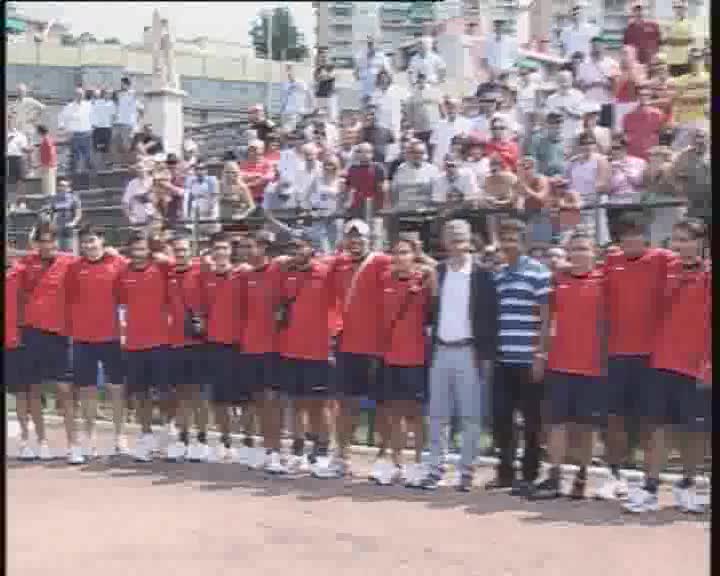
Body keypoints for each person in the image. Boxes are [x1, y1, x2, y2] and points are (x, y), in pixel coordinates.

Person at [624, 218, 710, 513]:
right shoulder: (664, 270)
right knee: (658, 429)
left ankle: (687, 485)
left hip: (697, 367)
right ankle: (649, 489)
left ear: (700, 242)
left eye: (687, 239)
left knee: (694, 432)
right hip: (662, 363)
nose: (681, 245)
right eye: (676, 239)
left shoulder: (709, 275)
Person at [593, 212, 675, 501]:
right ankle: (615, 475)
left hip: (651, 357)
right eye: (625, 234)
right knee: (614, 420)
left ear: (645, 236)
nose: (631, 239)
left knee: (649, 422)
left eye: (636, 233)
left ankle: (649, 481)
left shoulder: (663, 258)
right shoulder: (610, 262)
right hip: (616, 356)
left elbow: (693, 266)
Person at [528, 228, 604, 500]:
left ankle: (582, 478)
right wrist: (541, 354)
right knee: (556, 424)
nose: (579, 254)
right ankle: (554, 478)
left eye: (584, 249)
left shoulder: (604, 281)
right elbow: (547, 322)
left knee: (586, 427)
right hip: (559, 365)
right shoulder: (556, 279)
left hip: (593, 367)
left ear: (594, 253)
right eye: (574, 250)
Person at [421, 219, 498, 491]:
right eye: (450, 235)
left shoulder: (483, 274)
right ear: (443, 241)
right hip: (440, 350)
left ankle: (466, 471)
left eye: (460, 235)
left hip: (469, 352)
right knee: (437, 415)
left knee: (470, 416)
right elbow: (429, 312)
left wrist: (485, 357)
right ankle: (435, 469)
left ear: (470, 239)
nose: (456, 240)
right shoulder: (436, 272)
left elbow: (490, 319)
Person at [486, 218, 551, 496]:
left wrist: (541, 354)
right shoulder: (498, 276)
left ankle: (529, 474)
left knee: (532, 421)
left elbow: (547, 319)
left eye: (514, 239)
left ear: (523, 243)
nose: (509, 244)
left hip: (528, 359)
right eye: (505, 239)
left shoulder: (539, 273)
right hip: (503, 359)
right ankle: (505, 472)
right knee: (501, 419)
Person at [331, 220, 393, 477]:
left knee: (381, 406)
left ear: (370, 239)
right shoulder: (340, 265)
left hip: (377, 348)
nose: (355, 242)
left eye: (360, 237)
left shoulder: (382, 262)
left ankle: (384, 458)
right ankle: (341, 456)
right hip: (348, 346)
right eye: (351, 238)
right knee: (346, 404)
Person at [64, 225, 127, 461]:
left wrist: (117, 255)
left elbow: (128, 284)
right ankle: (89, 438)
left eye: (93, 241)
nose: (89, 245)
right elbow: (69, 300)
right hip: (83, 339)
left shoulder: (117, 263)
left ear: (102, 241)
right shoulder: (74, 268)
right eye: (85, 242)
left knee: (116, 389)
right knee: (87, 391)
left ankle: (120, 436)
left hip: (111, 338)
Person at [276, 230, 337, 476]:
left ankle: (322, 452)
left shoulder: (327, 271)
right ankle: (298, 452)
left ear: (311, 248)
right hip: (291, 349)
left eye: (299, 247)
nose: (294, 252)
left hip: (321, 350)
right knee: (297, 404)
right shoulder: (285, 272)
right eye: (291, 248)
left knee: (320, 405)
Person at [376, 237, 435, 485]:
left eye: (405, 252)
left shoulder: (425, 280)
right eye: (396, 253)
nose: (400, 257)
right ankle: (396, 462)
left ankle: (420, 463)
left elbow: (438, 271)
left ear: (414, 255)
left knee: (416, 415)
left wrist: (425, 263)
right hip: (390, 357)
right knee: (393, 414)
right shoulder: (385, 280)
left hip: (416, 358)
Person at [18, 221, 77, 461]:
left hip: (59, 335)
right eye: (43, 241)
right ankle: (41, 442)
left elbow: (99, 256)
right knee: (34, 389)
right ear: (37, 243)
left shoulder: (69, 261)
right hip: (32, 334)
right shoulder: (26, 263)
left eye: (51, 240)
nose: (47, 245)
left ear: (56, 242)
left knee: (64, 390)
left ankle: (73, 445)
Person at [233, 232, 287, 473]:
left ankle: (276, 452)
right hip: (249, 348)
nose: (244, 250)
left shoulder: (278, 269)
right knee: (255, 402)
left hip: (273, 349)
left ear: (264, 248)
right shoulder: (244, 275)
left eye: (249, 246)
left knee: (272, 402)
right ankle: (263, 449)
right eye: (243, 247)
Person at [116, 231, 171, 462]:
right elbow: (120, 304)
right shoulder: (123, 273)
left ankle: (168, 432)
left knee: (166, 392)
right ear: (129, 250)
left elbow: (172, 261)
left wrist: (157, 247)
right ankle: (146, 435)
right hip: (134, 344)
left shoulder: (161, 268)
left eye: (143, 247)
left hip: (160, 342)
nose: (139, 252)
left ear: (149, 249)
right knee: (140, 394)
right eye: (134, 248)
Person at [195, 232, 240, 462]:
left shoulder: (242, 274)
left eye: (224, 248)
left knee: (245, 400)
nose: (221, 252)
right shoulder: (205, 278)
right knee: (220, 399)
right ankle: (226, 441)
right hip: (215, 346)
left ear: (230, 250)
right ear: (211, 252)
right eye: (217, 249)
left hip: (241, 346)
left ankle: (251, 444)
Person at [165, 232, 210, 462]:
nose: (180, 254)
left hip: (197, 342)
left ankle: (201, 440)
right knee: (181, 394)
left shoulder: (201, 272)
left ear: (191, 251)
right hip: (176, 343)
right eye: (177, 250)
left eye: (184, 250)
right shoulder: (168, 274)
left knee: (199, 394)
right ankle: (182, 439)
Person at [566, 132, 610, 246]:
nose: (587, 146)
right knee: (575, 235)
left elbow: (602, 183)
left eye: (591, 143)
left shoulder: (601, 160)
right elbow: (568, 181)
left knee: (596, 236)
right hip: (575, 203)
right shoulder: (573, 162)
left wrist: (586, 200)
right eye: (584, 143)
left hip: (594, 202)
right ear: (579, 146)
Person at [669, 127, 711, 239]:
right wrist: (681, 193)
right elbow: (675, 177)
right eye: (696, 138)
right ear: (692, 141)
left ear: (707, 139)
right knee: (696, 235)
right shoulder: (683, 157)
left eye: (702, 137)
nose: (699, 141)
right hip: (694, 205)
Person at [669, 48, 710, 150]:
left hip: (704, 122)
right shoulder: (681, 80)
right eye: (693, 58)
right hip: (685, 122)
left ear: (703, 59)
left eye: (699, 58)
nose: (696, 61)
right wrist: (673, 119)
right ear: (689, 60)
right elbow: (675, 101)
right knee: (675, 152)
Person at [576, 38, 618, 129]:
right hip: (590, 103)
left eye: (599, 46)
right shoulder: (583, 64)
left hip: (606, 103)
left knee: (606, 131)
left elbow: (616, 86)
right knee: (590, 132)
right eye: (594, 46)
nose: (596, 49)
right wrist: (592, 84)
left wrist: (603, 84)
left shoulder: (612, 63)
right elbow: (579, 87)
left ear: (604, 47)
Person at [304, 154, 343, 253]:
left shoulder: (341, 181)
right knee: (320, 244)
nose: (329, 167)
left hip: (334, 216)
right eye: (327, 164)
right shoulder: (317, 179)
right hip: (319, 215)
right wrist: (311, 209)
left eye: (332, 164)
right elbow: (308, 196)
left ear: (337, 166)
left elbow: (343, 199)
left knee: (334, 244)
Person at [344, 142, 388, 218]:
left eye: (367, 151)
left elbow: (383, 189)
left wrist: (383, 206)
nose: (364, 154)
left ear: (372, 154)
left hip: (374, 207)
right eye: (360, 151)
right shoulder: (352, 169)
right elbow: (348, 188)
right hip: (356, 207)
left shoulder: (378, 168)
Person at [622, 83, 664, 161]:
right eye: (641, 95)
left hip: (651, 154)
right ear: (637, 96)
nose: (643, 97)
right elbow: (625, 136)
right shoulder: (628, 116)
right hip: (633, 155)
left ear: (650, 96)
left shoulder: (658, 114)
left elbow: (661, 134)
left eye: (646, 95)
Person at [403, 73, 443, 153]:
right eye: (419, 79)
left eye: (423, 79)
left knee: (433, 150)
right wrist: (412, 124)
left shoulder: (434, 91)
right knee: (420, 150)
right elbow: (408, 111)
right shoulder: (412, 94)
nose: (421, 81)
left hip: (433, 127)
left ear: (425, 80)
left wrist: (442, 121)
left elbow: (441, 107)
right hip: (419, 129)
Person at [546, 71, 586, 151]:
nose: (563, 83)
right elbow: (548, 118)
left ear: (571, 81)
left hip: (575, 135)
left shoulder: (579, 96)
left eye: (566, 80)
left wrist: (568, 111)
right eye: (561, 80)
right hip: (558, 137)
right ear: (557, 82)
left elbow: (583, 115)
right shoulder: (551, 99)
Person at [58, 86, 94, 176]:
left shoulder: (89, 105)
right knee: (75, 157)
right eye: (78, 94)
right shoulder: (69, 106)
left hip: (86, 134)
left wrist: (93, 127)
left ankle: (88, 176)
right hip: (74, 135)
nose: (80, 96)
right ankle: (75, 176)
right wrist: (63, 127)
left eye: (81, 94)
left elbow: (94, 117)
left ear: (84, 95)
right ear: (75, 95)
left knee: (87, 156)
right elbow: (61, 118)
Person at [517, 156, 551, 247]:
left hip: (541, 213)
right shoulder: (520, 181)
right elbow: (519, 202)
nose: (525, 170)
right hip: (526, 214)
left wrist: (527, 190)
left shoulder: (541, 179)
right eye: (522, 167)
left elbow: (541, 197)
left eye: (528, 168)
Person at [13, 83, 45, 176]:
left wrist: (34, 117)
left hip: (29, 130)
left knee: (30, 150)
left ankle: (31, 170)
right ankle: (23, 171)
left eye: (22, 91)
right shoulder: (15, 104)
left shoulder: (30, 101)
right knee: (21, 151)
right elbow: (14, 117)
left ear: (25, 92)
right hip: (19, 131)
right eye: (19, 91)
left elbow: (42, 107)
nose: (20, 93)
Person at [429, 98, 471, 167]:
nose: (451, 110)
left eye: (453, 107)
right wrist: (433, 160)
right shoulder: (439, 124)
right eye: (448, 108)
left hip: (456, 163)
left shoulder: (466, 123)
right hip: (439, 161)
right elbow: (433, 144)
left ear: (459, 108)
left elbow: (466, 145)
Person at [613, 44, 645, 133]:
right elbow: (615, 90)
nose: (623, 56)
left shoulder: (640, 67)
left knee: (635, 129)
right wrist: (623, 73)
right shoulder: (616, 67)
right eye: (622, 53)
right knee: (619, 131)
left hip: (634, 103)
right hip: (620, 104)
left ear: (633, 55)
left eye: (626, 53)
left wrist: (630, 69)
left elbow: (639, 84)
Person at [45, 178, 82, 254]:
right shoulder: (54, 199)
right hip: (58, 225)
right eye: (60, 185)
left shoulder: (74, 198)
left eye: (65, 186)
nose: (62, 188)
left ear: (68, 188)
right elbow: (50, 213)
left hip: (69, 225)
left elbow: (78, 214)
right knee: (57, 248)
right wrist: (51, 223)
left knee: (69, 248)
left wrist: (73, 223)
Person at [184, 160, 220, 234]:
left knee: (212, 233)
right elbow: (188, 199)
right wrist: (187, 215)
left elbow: (215, 198)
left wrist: (211, 212)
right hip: (196, 213)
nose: (199, 171)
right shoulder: (190, 180)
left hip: (210, 214)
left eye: (202, 169)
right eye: (197, 169)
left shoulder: (212, 180)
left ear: (206, 170)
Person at [528, 112, 566, 177]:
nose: (558, 129)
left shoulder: (562, 143)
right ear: (547, 125)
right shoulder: (537, 139)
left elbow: (562, 165)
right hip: (542, 179)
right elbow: (532, 163)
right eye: (555, 127)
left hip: (559, 179)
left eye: (560, 128)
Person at [113, 77, 141, 166]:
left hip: (127, 123)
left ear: (127, 84)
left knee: (126, 145)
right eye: (121, 84)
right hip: (118, 123)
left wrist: (136, 121)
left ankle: (128, 163)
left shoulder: (132, 94)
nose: (121, 85)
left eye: (122, 84)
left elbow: (140, 109)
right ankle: (119, 162)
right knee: (115, 142)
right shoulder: (119, 94)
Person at [354, 36, 391, 102]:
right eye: (368, 43)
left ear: (376, 44)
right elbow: (356, 73)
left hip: (378, 92)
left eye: (372, 43)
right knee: (366, 110)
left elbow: (389, 74)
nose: (370, 46)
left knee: (377, 109)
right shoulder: (360, 57)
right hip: (364, 92)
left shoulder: (382, 57)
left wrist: (384, 88)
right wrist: (359, 86)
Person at [623, 2, 661, 66]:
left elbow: (659, 42)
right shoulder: (629, 29)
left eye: (639, 10)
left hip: (650, 62)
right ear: (632, 12)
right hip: (636, 64)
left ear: (643, 11)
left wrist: (656, 55)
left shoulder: (652, 25)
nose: (638, 13)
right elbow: (626, 47)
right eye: (635, 10)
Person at [239, 139, 274, 204]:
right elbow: (239, 177)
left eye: (255, 149)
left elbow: (268, 178)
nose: (252, 152)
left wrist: (248, 183)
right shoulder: (243, 164)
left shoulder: (267, 163)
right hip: (246, 197)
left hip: (262, 198)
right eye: (250, 149)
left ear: (262, 150)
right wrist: (256, 177)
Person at [280, 64, 313, 132]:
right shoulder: (285, 84)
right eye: (287, 70)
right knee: (286, 131)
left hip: (297, 112)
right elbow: (284, 99)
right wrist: (282, 111)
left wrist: (310, 108)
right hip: (286, 113)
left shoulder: (301, 83)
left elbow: (309, 95)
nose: (288, 73)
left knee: (288, 130)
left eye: (290, 70)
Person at [122, 160, 155, 226]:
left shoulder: (154, 181)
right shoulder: (132, 184)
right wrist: (130, 217)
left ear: (147, 168)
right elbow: (125, 203)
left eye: (141, 168)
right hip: (139, 220)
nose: (140, 170)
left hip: (154, 219)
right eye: (138, 168)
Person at [7, 118, 30, 212]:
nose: (10, 124)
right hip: (8, 159)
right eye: (8, 122)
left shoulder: (21, 135)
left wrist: (28, 149)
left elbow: (24, 148)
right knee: (11, 183)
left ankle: (22, 202)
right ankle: (12, 203)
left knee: (21, 182)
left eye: (12, 122)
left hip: (19, 158)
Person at [666, 0, 694, 77]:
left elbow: (692, 41)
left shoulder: (690, 23)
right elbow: (668, 41)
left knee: (686, 86)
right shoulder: (669, 23)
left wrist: (676, 41)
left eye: (681, 7)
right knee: (673, 86)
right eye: (677, 7)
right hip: (672, 62)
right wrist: (684, 41)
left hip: (686, 61)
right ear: (673, 9)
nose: (679, 10)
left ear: (685, 9)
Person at [91, 88, 115, 170]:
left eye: (110, 94)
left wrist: (111, 125)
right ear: (104, 94)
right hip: (97, 129)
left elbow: (113, 116)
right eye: (107, 93)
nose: (109, 95)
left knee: (107, 148)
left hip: (107, 129)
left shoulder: (112, 103)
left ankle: (107, 165)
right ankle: (96, 166)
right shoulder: (97, 102)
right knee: (96, 148)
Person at [314, 48, 338, 122]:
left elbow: (331, 76)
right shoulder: (318, 69)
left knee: (332, 118)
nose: (323, 58)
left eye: (324, 56)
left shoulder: (331, 67)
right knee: (321, 118)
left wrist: (323, 76)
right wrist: (323, 76)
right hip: (320, 95)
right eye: (321, 56)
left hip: (329, 96)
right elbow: (317, 78)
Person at [37, 124, 58, 197]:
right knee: (47, 185)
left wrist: (48, 164)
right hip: (47, 165)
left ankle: (49, 203)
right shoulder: (48, 139)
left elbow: (51, 152)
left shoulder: (47, 140)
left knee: (49, 186)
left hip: (48, 166)